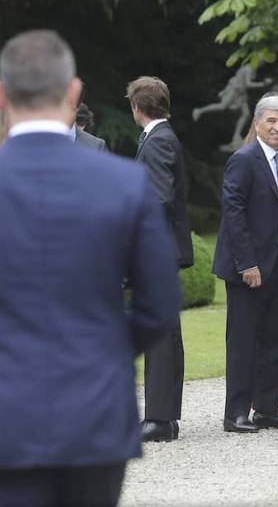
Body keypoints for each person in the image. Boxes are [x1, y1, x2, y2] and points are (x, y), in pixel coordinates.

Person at [0, 30, 181, 506]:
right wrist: (103, 347)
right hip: (95, 410)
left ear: (2, 95)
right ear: (73, 91)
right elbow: (159, 306)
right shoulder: (123, 183)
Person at [213, 94, 278, 433]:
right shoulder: (245, 159)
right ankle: (236, 413)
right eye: (272, 121)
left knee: (273, 338)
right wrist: (246, 264)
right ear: (257, 122)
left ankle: (266, 409)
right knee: (243, 340)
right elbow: (233, 214)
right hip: (249, 265)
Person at [128, 76, 193, 443]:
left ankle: (159, 417)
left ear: (136, 107)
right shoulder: (162, 138)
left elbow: (158, 198)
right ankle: (165, 417)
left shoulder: (159, 141)